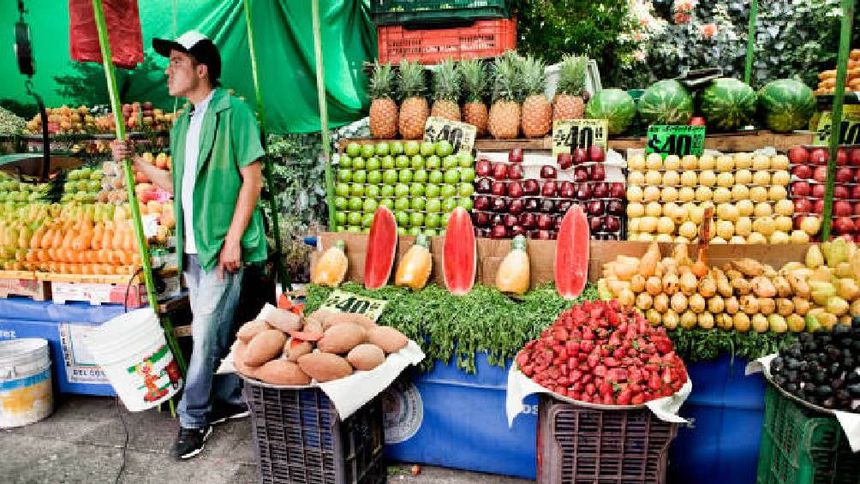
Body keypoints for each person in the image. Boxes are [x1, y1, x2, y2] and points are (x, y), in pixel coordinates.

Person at [111, 31, 268, 460]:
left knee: (204, 335)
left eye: (177, 62)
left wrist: (233, 240)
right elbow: (174, 182)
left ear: (201, 69)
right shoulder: (183, 123)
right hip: (192, 249)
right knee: (214, 330)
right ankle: (229, 397)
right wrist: (136, 161)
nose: (168, 71)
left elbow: (251, 180)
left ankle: (194, 418)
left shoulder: (234, 112)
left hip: (220, 247)